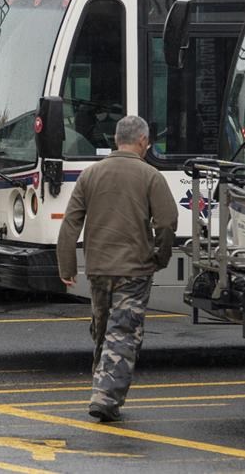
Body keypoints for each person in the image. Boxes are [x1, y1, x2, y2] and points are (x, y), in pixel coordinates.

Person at [56, 114, 178, 423]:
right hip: (134, 268)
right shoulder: (151, 176)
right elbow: (166, 222)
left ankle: (102, 388)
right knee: (123, 331)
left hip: (97, 267)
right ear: (142, 142)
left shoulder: (90, 175)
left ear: (114, 140)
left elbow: (71, 223)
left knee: (103, 330)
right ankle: (105, 398)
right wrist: (160, 258)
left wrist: (67, 265)